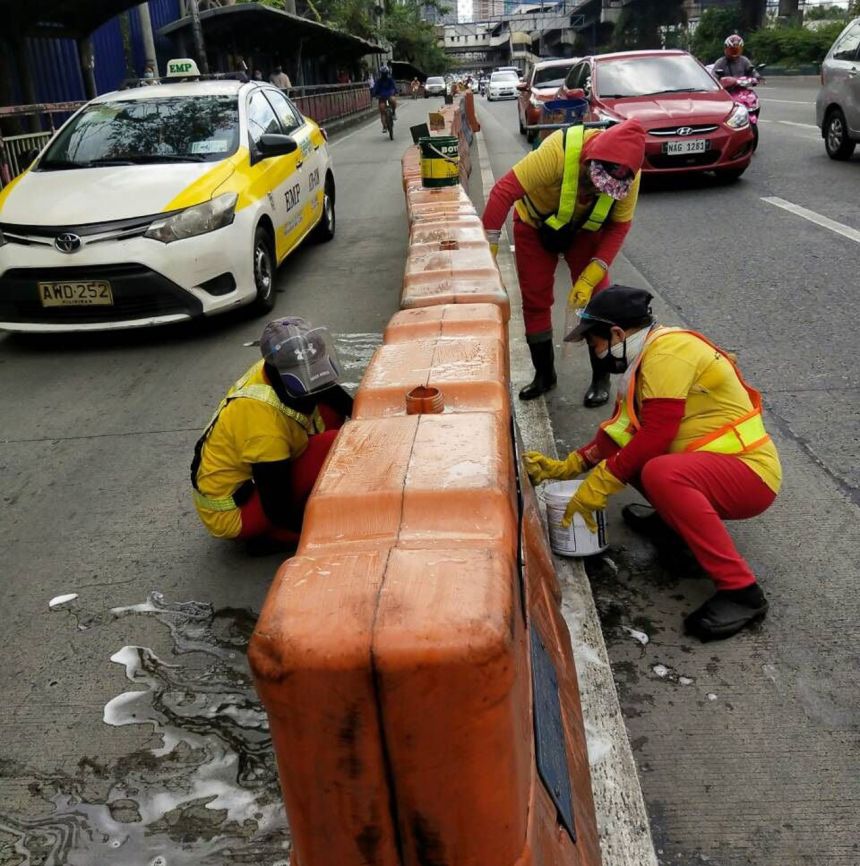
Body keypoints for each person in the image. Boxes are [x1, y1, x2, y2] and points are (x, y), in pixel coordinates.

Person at [524, 286, 782, 641]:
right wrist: (566, 467)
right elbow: (622, 433)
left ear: (616, 334)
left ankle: (742, 591)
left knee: (658, 470)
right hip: (713, 466)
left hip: (750, 476)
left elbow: (657, 433)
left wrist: (601, 482)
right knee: (636, 462)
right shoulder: (645, 357)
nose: (597, 354)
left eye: (594, 344)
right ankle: (671, 523)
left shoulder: (668, 353)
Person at [482, 118, 646, 406]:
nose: (596, 192)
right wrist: (488, 253)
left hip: (585, 232)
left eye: (604, 189)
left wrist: (590, 275)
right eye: (595, 183)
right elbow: (502, 192)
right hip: (535, 224)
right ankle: (545, 375)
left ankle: (600, 378)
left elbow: (619, 226)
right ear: (587, 161)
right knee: (535, 299)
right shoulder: (556, 153)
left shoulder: (628, 177)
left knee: (599, 300)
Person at [191, 317, 352, 552]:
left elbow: (330, 392)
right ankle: (268, 536)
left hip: (254, 476)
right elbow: (279, 509)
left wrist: (369, 422)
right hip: (237, 513)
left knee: (331, 411)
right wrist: (321, 529)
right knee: (335, 443)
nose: (314, 388)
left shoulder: (271, 366)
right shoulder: (264, 428)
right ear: (281, 374)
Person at [371, 65, 398, 133]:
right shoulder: (378, 81)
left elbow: (394, 87)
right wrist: (374, 94)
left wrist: (395, 91)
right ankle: (384, 126)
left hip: (389, 96)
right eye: (383, 73)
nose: (384, 75)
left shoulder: (390, 80)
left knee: (393, 100)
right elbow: (374, 89)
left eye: (385, 73)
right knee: (382, 110)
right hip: (382, 98)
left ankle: (394, 112)